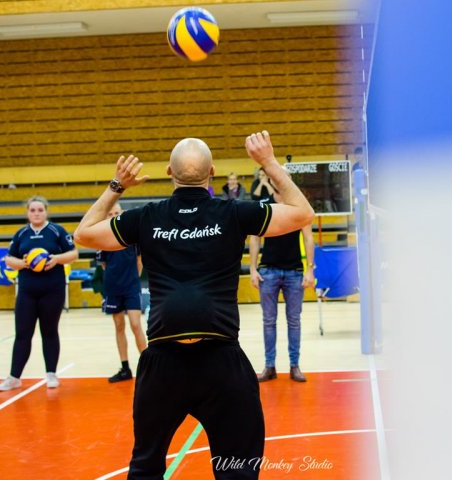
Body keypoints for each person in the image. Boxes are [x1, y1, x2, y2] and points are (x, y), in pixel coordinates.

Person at [73, 131, 314, 479]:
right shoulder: (233, 213)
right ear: (212, 172)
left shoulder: (147, 217)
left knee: (145, 469)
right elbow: (303, 213)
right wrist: (268, 162)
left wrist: (117, 185)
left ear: (169, 172)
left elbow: (83, 233)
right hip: (220, 363)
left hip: (164, 365)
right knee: (238, 470)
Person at [0, 195, 79, 391]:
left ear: (46, 211)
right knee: (22, 334)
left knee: (49, 331)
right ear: (27, 212)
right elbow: (9, 259)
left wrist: (56, 259)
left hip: (53, 290)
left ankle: (51, 374)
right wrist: (24, 263)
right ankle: (14, 377)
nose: (36, 213)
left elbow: (74, 254)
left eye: (40, 210)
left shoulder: (56, 231)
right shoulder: (21, 234)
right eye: (32, 210)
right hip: (27, 291)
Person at [249, 190, 315, 383]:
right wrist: (252, 268)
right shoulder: (264, 205)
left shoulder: (298, 205)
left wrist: (309, 269)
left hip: (294, 271)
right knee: (268, 321)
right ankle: (269, 366)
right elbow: (255, 238)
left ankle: (295, 366)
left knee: (294, 321)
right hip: (268, 271)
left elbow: (308, 237)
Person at [97, 203, 147, 383]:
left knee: (135, 324)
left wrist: (132, 280)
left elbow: (140, 261)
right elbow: (104, 265)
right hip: (113, 288)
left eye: (116, 213)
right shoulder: (103, 239)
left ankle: (147, 366)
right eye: (110, 213)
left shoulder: (133, 237)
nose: (113, 216)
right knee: (119, 326)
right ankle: (125, 368)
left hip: (131, 287)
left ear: (122, 214)